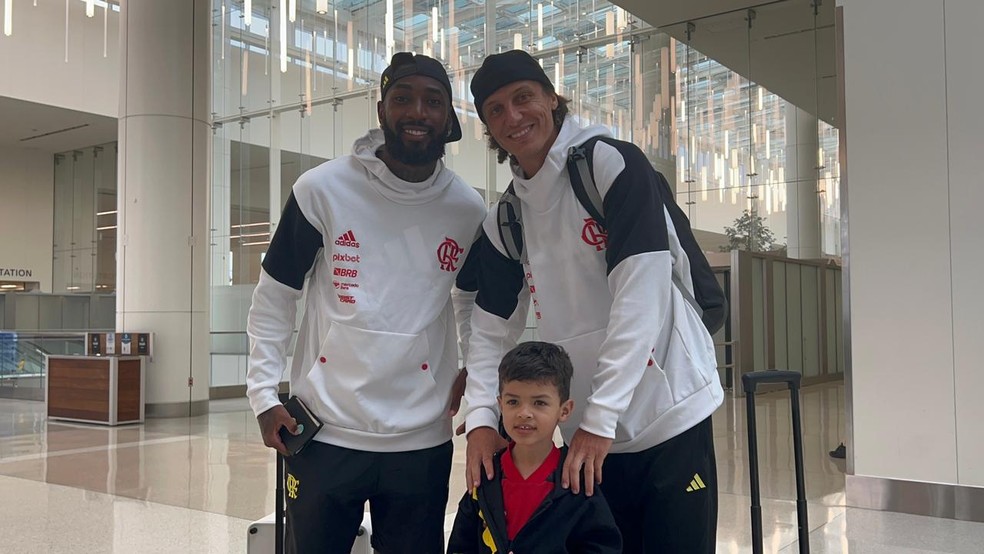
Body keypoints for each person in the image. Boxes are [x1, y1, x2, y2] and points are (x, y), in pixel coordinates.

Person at [459, 49, 724, 552]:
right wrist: (480, 422)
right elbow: (490, 327)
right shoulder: (507, 217)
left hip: (668, 413)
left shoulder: (610, 163)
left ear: (552, 100)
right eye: (495, 110)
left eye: (523, 98)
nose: (513, 117)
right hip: (590, 435)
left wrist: (599, 419)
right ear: (488, 129)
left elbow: (641, 296)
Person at [245, 52, 486, 554]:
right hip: (325, 432)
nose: (417, 112)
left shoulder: (467, 208)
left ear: (449, 118)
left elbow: (470, 301)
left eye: (432, 101)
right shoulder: (321, 190)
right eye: (403, 99)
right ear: (381, 111)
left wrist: (476, 370)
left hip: (421, 438)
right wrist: (264, 394)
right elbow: (276, 294)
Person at [447, 341, 622, 554]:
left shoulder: (576, 483)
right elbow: (461, 545)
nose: (524, 413)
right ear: (500, 404)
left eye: (539, 403)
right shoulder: (485, 478)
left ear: (564, 410)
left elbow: (602, 546)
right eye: (513, 402)